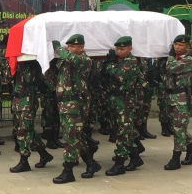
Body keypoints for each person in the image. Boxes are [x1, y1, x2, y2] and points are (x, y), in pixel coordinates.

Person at [52, 35, 100, 184]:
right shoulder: (66, 61)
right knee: (75, 136)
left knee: (71, 137)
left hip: (76, 104)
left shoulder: (84, 60)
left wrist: (57, 48)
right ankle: (91, 164)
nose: (70, 49)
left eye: (73, 47)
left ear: (81, 48)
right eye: (69, 46)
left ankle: (68, 171)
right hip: (65, 104)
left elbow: (70, 57)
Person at [103, 36, 146, 176]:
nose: (119, 51)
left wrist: (109, 64)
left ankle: (120, 163)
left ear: (130, 48)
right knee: (122, 130)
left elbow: (118, 76)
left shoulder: (132, 61)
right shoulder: (119, 61)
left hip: (126, 101)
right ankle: (135, 157)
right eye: (117, 48)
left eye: (122, 49)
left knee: (123, 132)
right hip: (115, 99)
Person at [9, 59, 54, 172]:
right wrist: (12, 65)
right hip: (17, 100)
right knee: (28, 131)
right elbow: (6, 78)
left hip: (27, 100)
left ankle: (24, 161)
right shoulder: (14, 64)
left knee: (23, 131)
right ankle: (44, 154)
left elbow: (30, 79)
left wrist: (25, 64)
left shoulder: (33, 65)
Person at [164, 34, 192, 170]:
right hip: (171, 96)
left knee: (179, 127)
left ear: (187, 47)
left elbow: (171, 68)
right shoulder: (174, 58)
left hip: (181, 98)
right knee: (178, 127)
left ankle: (175, 158)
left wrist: (170, 56)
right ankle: (191, 151)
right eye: (175, 44)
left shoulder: (188, 59)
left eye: (180, 45)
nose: (177, 47)